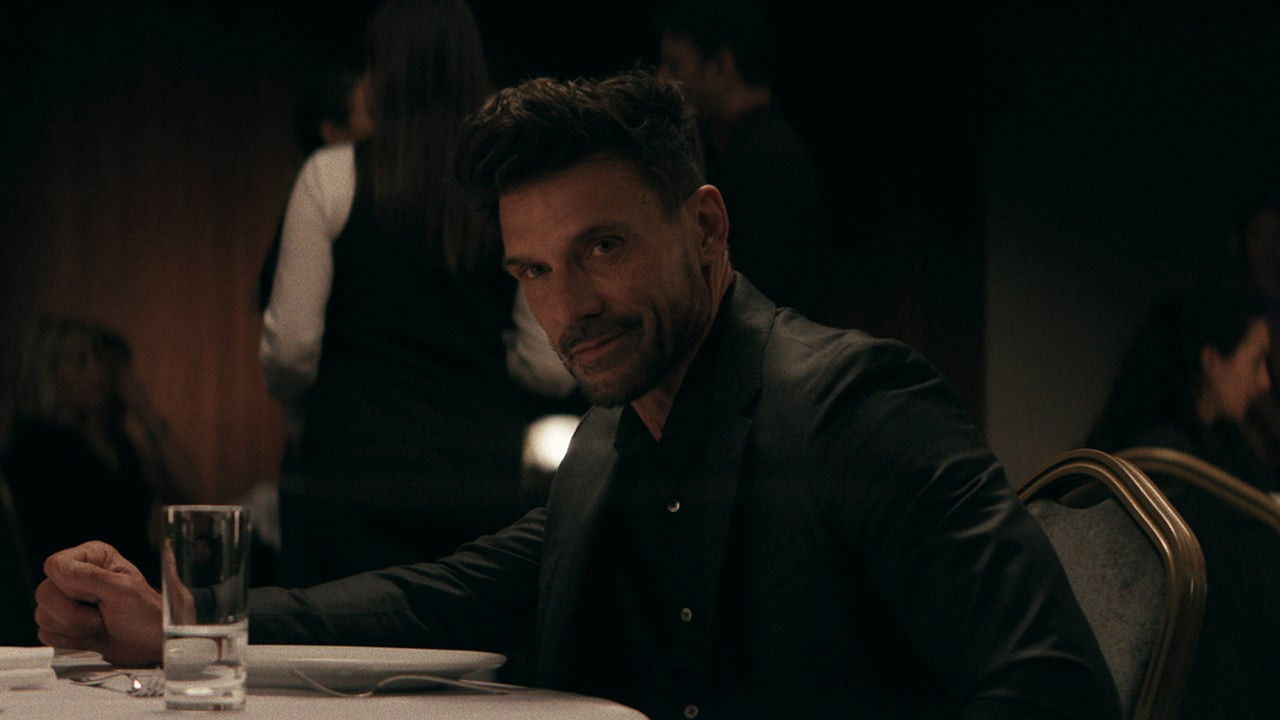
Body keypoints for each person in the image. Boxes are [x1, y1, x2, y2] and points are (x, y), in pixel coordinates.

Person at [35, 72, 1119, 719]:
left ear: (705, 227)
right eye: (533, 271)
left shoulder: (859, 408)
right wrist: (184, 624)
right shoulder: (610, 443)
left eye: (603, 248)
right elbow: (437, 601)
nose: (569, 308)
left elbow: (1055, 693)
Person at [259, 0, 571, 586]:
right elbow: (548, 364)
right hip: (475, 481)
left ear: (381, 75)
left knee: (339, 638)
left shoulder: (329, 176)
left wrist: (305, 419)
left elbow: (292, 349)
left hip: (350, 475)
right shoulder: (512, 189)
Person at [656, 0, 824, 318]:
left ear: (720, 64)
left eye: (675, 66)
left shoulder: (767, 164)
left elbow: (754, 294)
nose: (663, 79)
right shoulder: (735, 148)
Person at [1, 317, 199, 587]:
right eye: (80, 360)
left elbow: (190, 493)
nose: (97, 371)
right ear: (47, 372)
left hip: (134, 584)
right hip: (84, 592)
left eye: (100, 360)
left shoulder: (116, 444)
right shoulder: (38, 446)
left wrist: (147, 414)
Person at [1086, 282, 1274, 489]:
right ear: (1212, 361)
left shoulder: (1226, 444)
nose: (1265, 382)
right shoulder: (1164, 459)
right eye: (1256, 362)